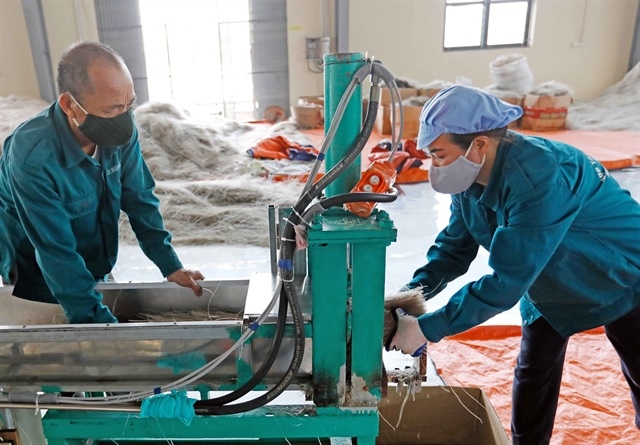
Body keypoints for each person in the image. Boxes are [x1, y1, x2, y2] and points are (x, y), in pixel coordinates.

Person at [387, 85, 640, 444]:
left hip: (619, 269)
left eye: (439, 155)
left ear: (479, 144)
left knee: (637, 361)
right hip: (547, 271)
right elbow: (453, 250)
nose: (434, 166)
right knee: (534, 369)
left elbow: (506, 282)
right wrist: (407, 298)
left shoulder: (540, 177)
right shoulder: (469, 176)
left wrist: (429, 328)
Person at [0, 41, 204, 324]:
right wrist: (98, 324)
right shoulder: (32, 157)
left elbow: (140, 199)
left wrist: (169, 264)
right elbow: (54, 249)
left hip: (93, 250)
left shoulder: (119, 128)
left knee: (96, 296)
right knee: (59, 333)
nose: (123, 117)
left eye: (129, 104)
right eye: (112, 110)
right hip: (38, 266)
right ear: (70, 105)